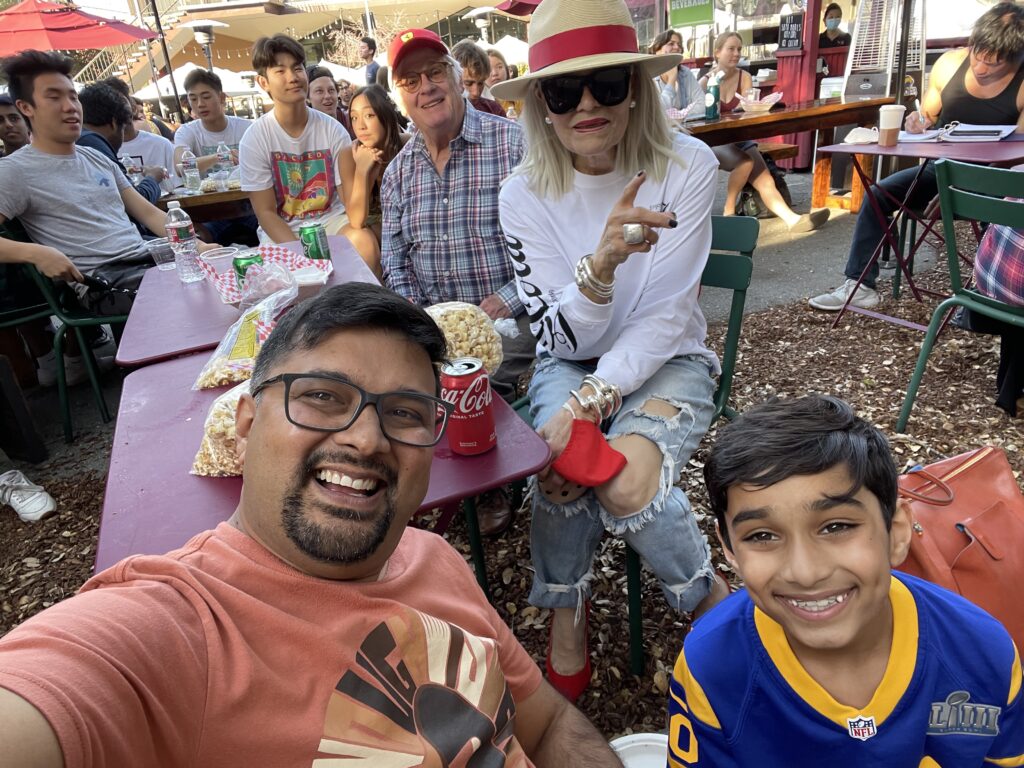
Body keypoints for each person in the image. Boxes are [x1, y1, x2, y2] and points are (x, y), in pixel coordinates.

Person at [0, 282, 625, 768]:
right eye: (322, 396)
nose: (365, 438)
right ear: (244, 424)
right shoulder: (181, 627)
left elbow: (545, 724)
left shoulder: (436, 559)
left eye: (404, 412)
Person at [492, 0, 731, 703]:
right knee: (566, 470)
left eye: (609, 83)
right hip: (571, 360)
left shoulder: (688, 165)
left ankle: (712, 608)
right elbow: (569, 342)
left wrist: (590, 404)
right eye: (565, 90)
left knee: (617, 478)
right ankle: (568, 617)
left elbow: (664, 319)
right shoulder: (522, 193)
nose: (588, 104)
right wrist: (600, 265)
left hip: (670, 360)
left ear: (638, 85)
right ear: (541, 103)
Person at [669, 394, 1024, 766]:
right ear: (727, 547)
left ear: (897, 531)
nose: (805, 572)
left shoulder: (983, 654)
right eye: (761, 536)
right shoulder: (711, 669)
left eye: (837, 526)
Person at [382, 28, 533, 536]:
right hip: (434, 328)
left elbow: (555, 249)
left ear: (456, 76)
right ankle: (423, 482)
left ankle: (484, 480)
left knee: (474, 383)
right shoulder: (398, 173)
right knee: (381, 386)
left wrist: (506, 300)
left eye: (433, 73)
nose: (424, 87)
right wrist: (417, 319)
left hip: (514, 319)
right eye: (409, 80)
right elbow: (395, 261)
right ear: (400, 96)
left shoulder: (514, 145)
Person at [810, 2, 1024, 311]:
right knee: (877, 194)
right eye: (978, 53)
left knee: (1009, 209)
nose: (981, 67)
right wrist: (916, 121)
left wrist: (959, 191)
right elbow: (925, 117)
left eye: (995, 63)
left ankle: (990, 293)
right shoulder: (950, 65)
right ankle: (859, 286)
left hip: (993, 182)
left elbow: (1017, 159)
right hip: (938, 171)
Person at [0, 50, 217, 315]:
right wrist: (36, 253)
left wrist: (200, 247)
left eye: (72, 97)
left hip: (148, 259)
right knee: (198, 294)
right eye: (54, 97)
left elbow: (148, 212)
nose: (70, 107)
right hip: (103, 282)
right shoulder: (15, 170)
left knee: (240, 263)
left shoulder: (94, 157)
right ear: (26, 107)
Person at [702, 31, 829, 232]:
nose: (736, 54)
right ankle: (729, 212)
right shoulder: (706, 82)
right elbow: (701, 118)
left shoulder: (744, 77)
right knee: (745, 162)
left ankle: (793, 220)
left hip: (740, 137)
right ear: (717, 52)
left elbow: (747, 109)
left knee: (766, 178)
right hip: (717, 140)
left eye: (739, 49)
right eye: (731, 49)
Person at [240, 35, 354, 245]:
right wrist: (302, 253)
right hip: (282, 230)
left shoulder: (333, 130)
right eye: (280, 71)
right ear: (263, 82)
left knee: (363, 240)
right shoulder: (255, 138)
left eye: (298, 68)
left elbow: (348, 201)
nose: (292, 77)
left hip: (332, 222)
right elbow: (266, 213)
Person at [338, 85, 410, 278]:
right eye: (354, 117)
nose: (360, 126)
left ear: (385, 115)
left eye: (369, 116)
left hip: (406, 224)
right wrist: (363, 171)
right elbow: (356, 220)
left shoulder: (408, 146)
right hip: (370, 231)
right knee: (359, 237)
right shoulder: (348, 154)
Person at [76, 82, 166, 205]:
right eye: (123, 128)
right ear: (114, 123)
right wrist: (152, 177)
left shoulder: (76, 140)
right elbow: (138, 202)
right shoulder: (94, 144)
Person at [173, 68, 251, 179]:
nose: (200, 104)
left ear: (222, 98)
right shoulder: (186, 131)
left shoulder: (246, 128)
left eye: (206, 97)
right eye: (193, 99)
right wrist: (219, 157)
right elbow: (180, 167)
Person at [649, 29, 702, 110]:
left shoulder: (685, 73)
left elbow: (702, 105)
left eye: (679, 45)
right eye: (671, 44)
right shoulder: (649, 77)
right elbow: (656, 112)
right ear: (657, 50)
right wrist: (671, 80)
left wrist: (679, 116)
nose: (677, 47)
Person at [452, 40, 507, 117]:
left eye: (481, 83)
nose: (476, 92)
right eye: (468, 83)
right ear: (452, 78)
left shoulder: (495, 111)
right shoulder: (439, 116)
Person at [308, 64, 355, 139]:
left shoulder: (351, 122)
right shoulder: (305, 132)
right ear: (308, 97)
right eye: (319, 91)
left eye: (331, 90)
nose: (327, 96)